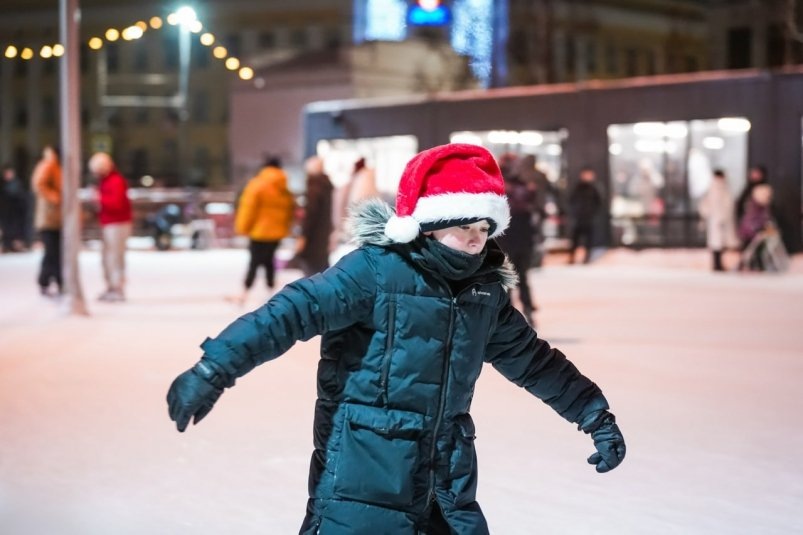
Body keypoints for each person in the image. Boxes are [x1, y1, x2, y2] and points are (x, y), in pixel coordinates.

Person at [167, 143, 626, 535]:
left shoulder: (483, 292)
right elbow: (290, 312)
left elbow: (534, 361)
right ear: (428, 223)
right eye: (464, 226)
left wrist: (592, 413)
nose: (475, 240)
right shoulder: (374, 272)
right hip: (362, 479)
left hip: (445, 485)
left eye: (485, 229)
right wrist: (214, 367)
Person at [230, 156, 295, 305]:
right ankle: (271, 291)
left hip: (259, 232)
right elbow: (290, 210)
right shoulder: (284, 187)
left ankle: (244, 293)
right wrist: (285, 228)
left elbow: (248, 208)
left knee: (254, 261)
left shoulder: (258, 184)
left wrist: (242, 227)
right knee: (269, 261)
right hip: (276, 233)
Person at [496, 161, 539, 326]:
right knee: (517, 277)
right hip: (516, 240)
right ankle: (523, 310)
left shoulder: (500, 191)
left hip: (510, 240)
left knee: (510, 278)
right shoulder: (525, 188)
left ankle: (515, 313)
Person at [88, 152, 133, 302]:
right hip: (109, 222)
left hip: (118, 223)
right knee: (107, 257)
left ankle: (117, 287)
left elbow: (116, 203)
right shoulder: (106, 181)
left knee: (115, 256)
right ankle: (111, 286)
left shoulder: (115, 181)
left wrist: (99, 198)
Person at [295, 155, 334, 277]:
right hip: (322, 237)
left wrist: (303, 236)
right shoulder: (326, 187)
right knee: (322, 271)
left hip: (313, 240)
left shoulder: (314, 189)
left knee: (312, 273)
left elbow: (310, 216)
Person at [31, 145, 63, 296]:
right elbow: (39, 184)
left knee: (56, 252)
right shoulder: (49, 165)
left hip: (55, 218)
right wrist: (54, 198)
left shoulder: (55, 165)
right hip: (49, 218)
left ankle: (55, 280)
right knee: (52, 252)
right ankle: (47, 281)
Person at [698, 169, 739, 272]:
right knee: (717, 244)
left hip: (719, 220)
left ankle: (718, 264)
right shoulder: (717, 188)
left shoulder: (720, 188)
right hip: (718, 220)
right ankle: (717, 265)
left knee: (719, 244)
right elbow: (712, 205)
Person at [567, 167, 602, 264]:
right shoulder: (577, 187)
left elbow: (599, 202)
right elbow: (571, 200)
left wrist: (593, 213)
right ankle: (572, 258)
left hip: (589, 218)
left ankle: (587, 258)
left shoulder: (594, 188)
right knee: (575, 239)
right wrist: (574, 212)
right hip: (578, 218)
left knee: (589, 240)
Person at [0, 164, 28, 253]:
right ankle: (8, 245)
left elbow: (21, 198)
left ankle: (15, 245)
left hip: (15, 213)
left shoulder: (17, 184)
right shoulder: (4, 185)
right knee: (8, 230)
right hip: (7, 213)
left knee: (15, 230)